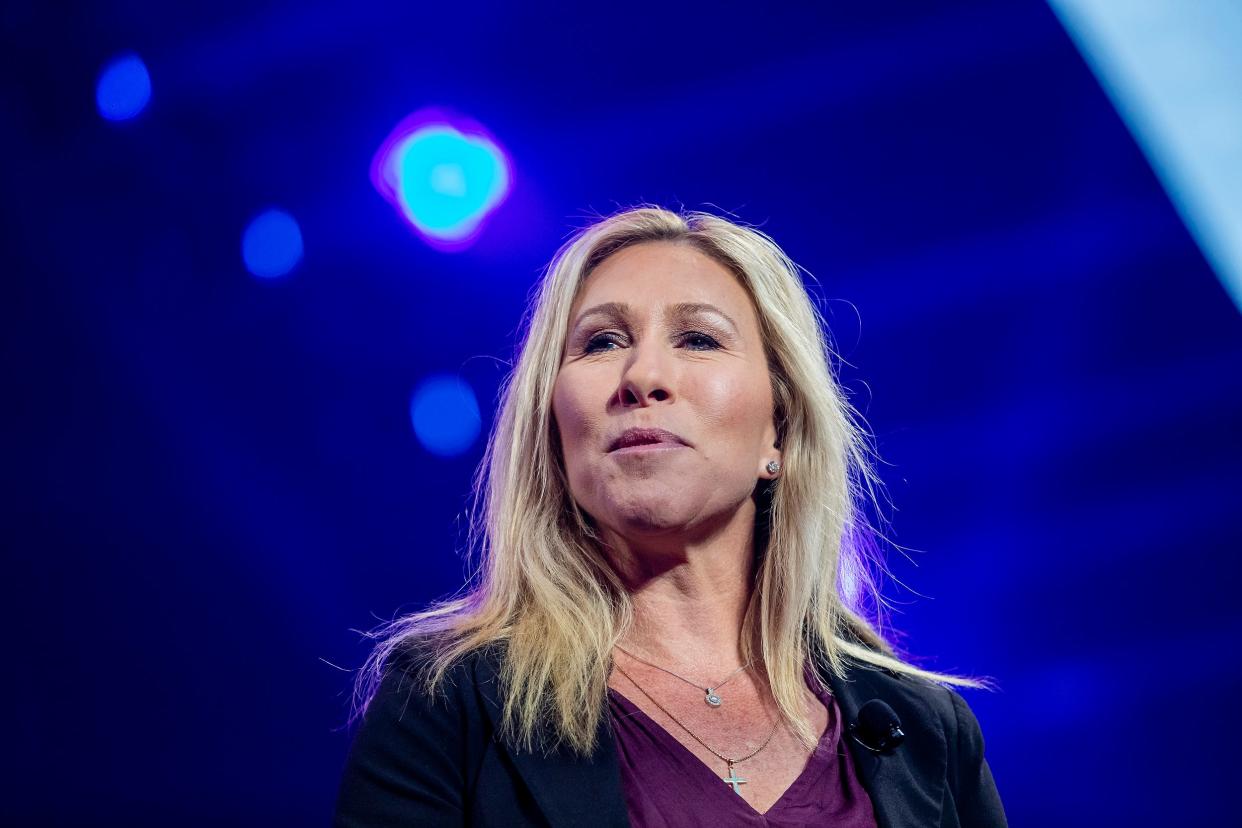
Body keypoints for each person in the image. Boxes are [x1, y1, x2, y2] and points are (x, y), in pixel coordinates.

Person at [333, 206, 1007, 827]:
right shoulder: (450, 706)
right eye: (599, 343)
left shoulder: (926, 734)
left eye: (698, 339)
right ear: (554, 432)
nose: (642, 374)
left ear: (779, 431)